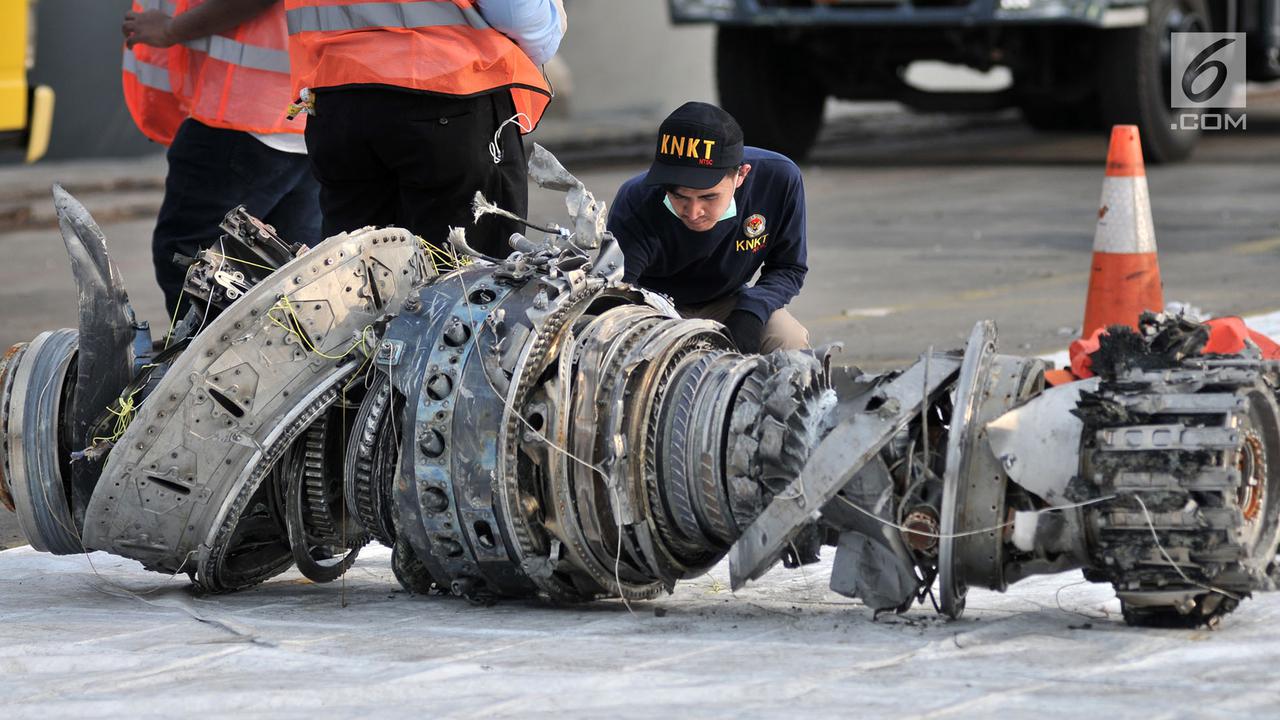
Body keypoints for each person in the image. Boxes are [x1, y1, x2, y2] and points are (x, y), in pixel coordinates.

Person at [283, 0, 566, 256]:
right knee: (470, 281)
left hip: (336, 94)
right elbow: (515, 14)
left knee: (359, 276)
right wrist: (550, 29)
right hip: (445, 91)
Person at [123, 0, 321, 318]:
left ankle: (202, 350)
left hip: (245, 114)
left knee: (194, 260)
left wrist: (170, 29)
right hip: (304, 115)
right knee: (289, 277)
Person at [606, 102, 810, 354]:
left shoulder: (779, 180)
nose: (693, 213)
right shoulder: (636, 199)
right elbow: (617, 290)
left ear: (741, 175)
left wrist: (751, 312)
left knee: (788, 339)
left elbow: (788, 267)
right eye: (679, 196)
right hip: (652, 305)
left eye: (708, 197)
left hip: (728, 300)